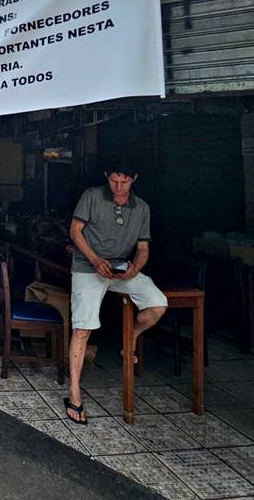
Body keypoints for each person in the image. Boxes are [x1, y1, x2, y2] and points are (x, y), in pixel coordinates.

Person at [63, 159, 167, 425]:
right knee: (82, 328)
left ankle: (129, 339)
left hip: (122, 269)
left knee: (157, 305)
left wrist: (135, 268)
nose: (119, 187)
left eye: (125, 181)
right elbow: (76, 231)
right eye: (114, 181)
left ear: (135, 178)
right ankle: (74, 393)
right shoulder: (92, 196)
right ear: (107, 176)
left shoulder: (142, 208)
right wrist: (95, 259)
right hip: (89, 267)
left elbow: (143, 248)